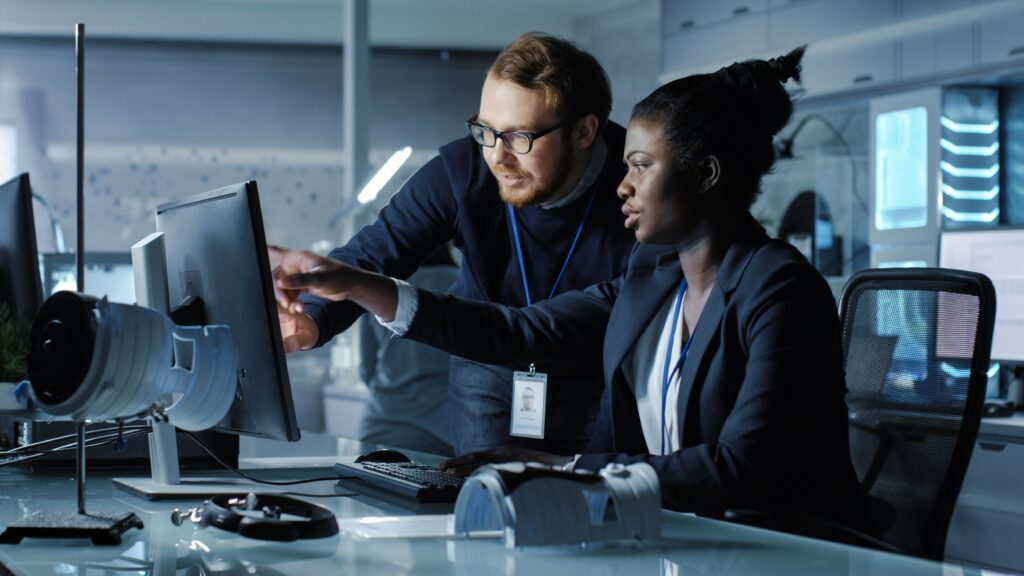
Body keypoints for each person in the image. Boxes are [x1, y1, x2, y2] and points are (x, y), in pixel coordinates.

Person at [271, 47, 871, 528]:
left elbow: (743, 468)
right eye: (487, 131)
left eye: (639, 166)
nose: (622, 186)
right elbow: (522, 331)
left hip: (782, 544)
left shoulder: (778, 288)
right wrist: (348, 289)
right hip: (688, 527)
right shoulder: (656, 279)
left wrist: (566, 465)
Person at [277, 32, 636, 456]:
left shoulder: (636, 184)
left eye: (519, 138)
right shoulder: (463, 169)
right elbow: (373, 253)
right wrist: (311, 320)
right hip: (485, 365)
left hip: (592, 370)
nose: (497, 157)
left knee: (590, 511)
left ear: (584, 132)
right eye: (486, 130)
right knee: (486, 505)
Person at [357, 246, 459, 455]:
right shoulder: (461, 283)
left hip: (381, 424)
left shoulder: (380, 289)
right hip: (444, 431)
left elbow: (367, 370)